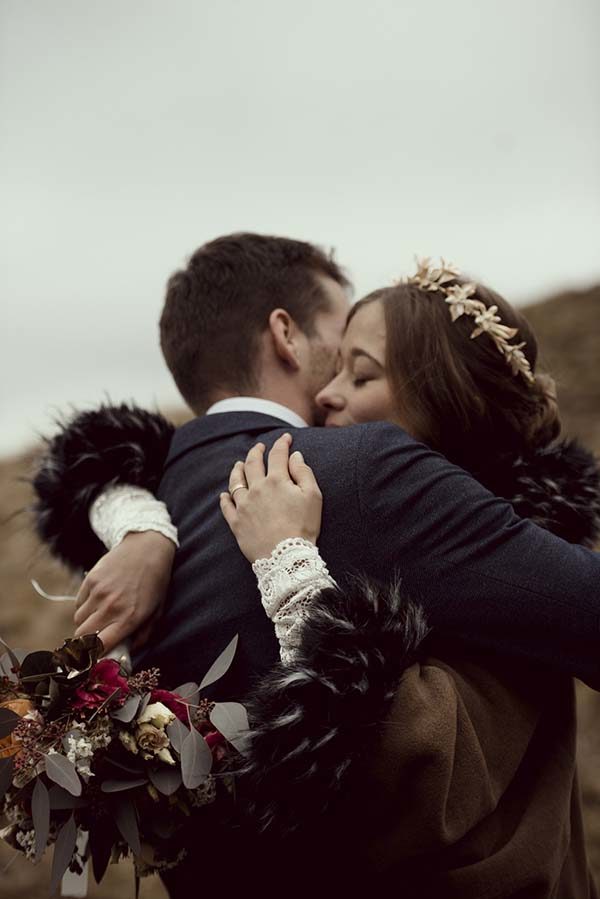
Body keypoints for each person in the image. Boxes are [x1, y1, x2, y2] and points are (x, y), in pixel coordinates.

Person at [31, 240, 600, 895]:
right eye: (340, 340)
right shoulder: (360, 469)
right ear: (286, 334)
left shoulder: (146, 509)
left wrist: (136, 523)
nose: (335, 385)